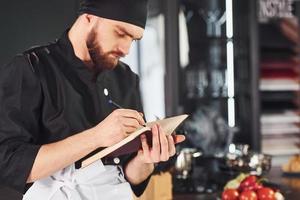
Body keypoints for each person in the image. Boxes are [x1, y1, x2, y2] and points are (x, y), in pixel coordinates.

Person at [0, 0, 185, 199]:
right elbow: (8, 164)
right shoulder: (30, 69)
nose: (126, 49)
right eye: (121, 33)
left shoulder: (127, 80)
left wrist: (147, 159)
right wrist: (96, 137)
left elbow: (130, 177)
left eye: (133, 40)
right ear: (88, 18)